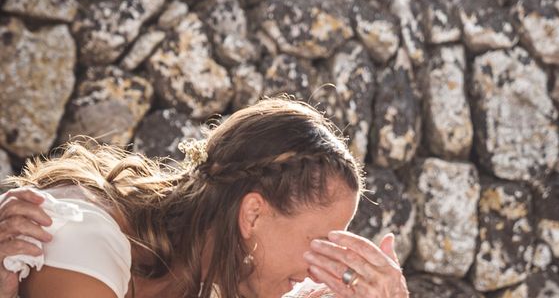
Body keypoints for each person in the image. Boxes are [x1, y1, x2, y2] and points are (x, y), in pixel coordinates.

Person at [0, 98, 409, 298]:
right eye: (322, 243)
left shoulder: (207, 276)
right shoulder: (82, 237)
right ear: (252, 215)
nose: (320, 275)